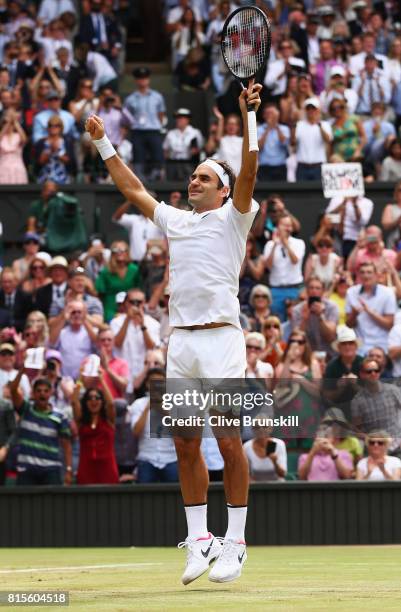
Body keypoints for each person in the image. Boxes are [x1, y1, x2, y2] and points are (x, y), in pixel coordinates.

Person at [86, 79, 262, 584]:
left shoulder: (236, 216)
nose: (194, 182)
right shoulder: (176, 220)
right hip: (181, 341)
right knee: (186, 441)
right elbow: (131, 187)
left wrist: (248, 115)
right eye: (193, 177)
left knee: (228, 439)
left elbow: (249, 167)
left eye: (204, 178)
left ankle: (235, 542)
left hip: (223, 338)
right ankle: (200, 539)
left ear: (224, 190)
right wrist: (103, 142)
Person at [10, 372, 72, 486]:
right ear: (33, 393)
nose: (42, 394)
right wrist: (23, 369)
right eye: (38, 391)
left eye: (45, 391)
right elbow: (13, 390)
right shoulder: (25, 409)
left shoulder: (60, 416)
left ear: (51, 393)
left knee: (52, 504)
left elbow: (66, 445)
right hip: (27, 469)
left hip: (51, 469)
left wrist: (68, 469)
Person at [130, 367, 178, 483]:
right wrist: (148, 408)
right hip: (146, 459)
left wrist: (164, 411)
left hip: (171, 459)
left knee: (174, 498)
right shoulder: (138, 404)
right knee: (144, 499)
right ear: (147, 384)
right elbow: (135, 432)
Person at [110, 289, 160, 395]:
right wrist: (128, 319)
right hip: (122, 377)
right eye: (132, 302)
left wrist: (142, 325)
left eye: (139, 302)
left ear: (144, 303)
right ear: (125, 304)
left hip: (144, 376)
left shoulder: (153, 323)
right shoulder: (116, 322)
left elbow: (152, 347)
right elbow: (117, 343)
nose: (136, 305)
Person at [72, 376, 119, 485]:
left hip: (107, 469)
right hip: (86, 469)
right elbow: (74, 403)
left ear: (102, 402)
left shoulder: (108, 421)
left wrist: (102, 380)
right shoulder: (82, 422)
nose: (94, 400)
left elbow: (111, 404)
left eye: (97, 398)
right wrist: (80, 379)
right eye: (90, 398)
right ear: (86, 402)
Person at [123, 67, 166, 181]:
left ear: (148, 79)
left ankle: (157, 180)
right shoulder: (130, 99)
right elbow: (127, 117)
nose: (142, 80)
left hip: (153, 130)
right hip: (138, 131)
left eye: (145, 78)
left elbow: (161, 114)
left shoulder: (157, 97)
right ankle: (140, 182)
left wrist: (156, 124)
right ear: (136, 80)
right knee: (138, 158)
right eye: (140, 78)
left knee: (157, 157)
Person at [351, 358, 401, 455]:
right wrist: (371, 441)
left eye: (376, 370)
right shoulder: (357, 401)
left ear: (380, 372)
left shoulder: (393, 390)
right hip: (376, 450)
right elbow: (357, 429)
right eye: (369, 371)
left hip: (398, 445)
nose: (373, 373)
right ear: (362, 374)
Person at [346, 262, 396, 353]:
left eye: (369, 272)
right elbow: (349, 325)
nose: (366, 275)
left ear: (376, 275)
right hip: (360, 346)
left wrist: (370, 311)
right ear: (358, 275)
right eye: (362, 272)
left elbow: (389, 325)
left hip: (382, 345)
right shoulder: (351, 292)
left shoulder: (388, 293)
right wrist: (354, 314)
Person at [263, 214, 305, 321]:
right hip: (276, 290)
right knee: (277, 321)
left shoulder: (299, 243)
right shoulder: (270, 245)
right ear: (277, 227)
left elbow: (295, 260)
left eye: (289, 226)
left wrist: (285, 243)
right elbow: (268, 266)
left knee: (296, 321)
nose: (287, 228)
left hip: (294, 289)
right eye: (284, 225)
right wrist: (275, 245)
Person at [322, 325, 363, 420]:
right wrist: (339, 388)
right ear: (339, 347)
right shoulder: (332, 366)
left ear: (356, 346)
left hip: (362, 410)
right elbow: (326, 396)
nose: (347, 346)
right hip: (339, 410)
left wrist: (356, 385)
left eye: (350, 343)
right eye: (344, 344)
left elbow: (372, 394)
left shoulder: (364, 364)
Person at [291, 276, 339, 357]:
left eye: (317, 288)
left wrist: (320, 316)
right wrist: (305, 319)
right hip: (307, 355)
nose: (314, 291)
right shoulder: (297, 310)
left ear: (323, 291)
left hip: (329, 353)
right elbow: (297, 338)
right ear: (307, 290)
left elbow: (331, 337)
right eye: (311, 288)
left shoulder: (332, 307)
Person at [95, 240, 141, 321]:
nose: (119, 252)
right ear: (112, 253)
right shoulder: (106, 271)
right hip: (110, 308)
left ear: (127, 252)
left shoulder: (134, 269)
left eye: (122, 250)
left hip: (131, 307)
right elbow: (99, 293)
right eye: (116, 250)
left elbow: (138, 290)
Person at [293, 97, 332, 182]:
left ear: (318, 110)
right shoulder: (299, 125)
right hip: (302, 167)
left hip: (319, 166)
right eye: (308, 108)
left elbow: (328, 140)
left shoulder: (325, 125)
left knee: (319, 193)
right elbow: (293, 143)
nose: (311, 111)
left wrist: (319, 124)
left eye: (313, 108)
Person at [163, 108, 204, 181]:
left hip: (189, 164)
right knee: (172, 184)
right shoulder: (171, 133)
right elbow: (165, 150)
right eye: (178, 118)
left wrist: (194, 150)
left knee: (190, 183)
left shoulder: (195, 132)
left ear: (188, 119)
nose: (179, 120)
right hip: (173, 164)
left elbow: (199, 149)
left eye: (182, 118)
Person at [257, 104, 290, 182]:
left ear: (278, 114)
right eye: (267, 113)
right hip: (264, 167)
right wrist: (268, 128)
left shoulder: (284, 128)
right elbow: (258, 147)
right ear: (264, 116)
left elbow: (284, 143)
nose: (270, 116)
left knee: (280, 193)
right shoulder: (259, 129)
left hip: (280, 166)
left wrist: (276, 127)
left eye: (272, 113)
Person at [329, 97, 366, 162]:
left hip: (355, 154)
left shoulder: (354, 119)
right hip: (339, 157)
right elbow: (331, 144)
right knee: (334, 159)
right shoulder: (332, 126)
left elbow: (363, 137)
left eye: (339, 107)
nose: (337, 110)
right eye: (334, 108)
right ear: (331, 111)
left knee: (357, 160)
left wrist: (358, 151)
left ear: (343, 107)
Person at [0, 108, 28, 184]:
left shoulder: (18, 136)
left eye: (11, 124)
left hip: (17, 168)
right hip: (3, 168)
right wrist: (8, 123)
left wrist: (15, 121)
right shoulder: (2, 137)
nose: (9, 126)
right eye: (4, 122)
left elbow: (24, 140)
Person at [381, 181, 401, 249]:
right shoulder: (390, 207)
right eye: (400, 190)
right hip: (395, 242)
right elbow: (385, 225)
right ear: (396, 193)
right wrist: (398, 220)